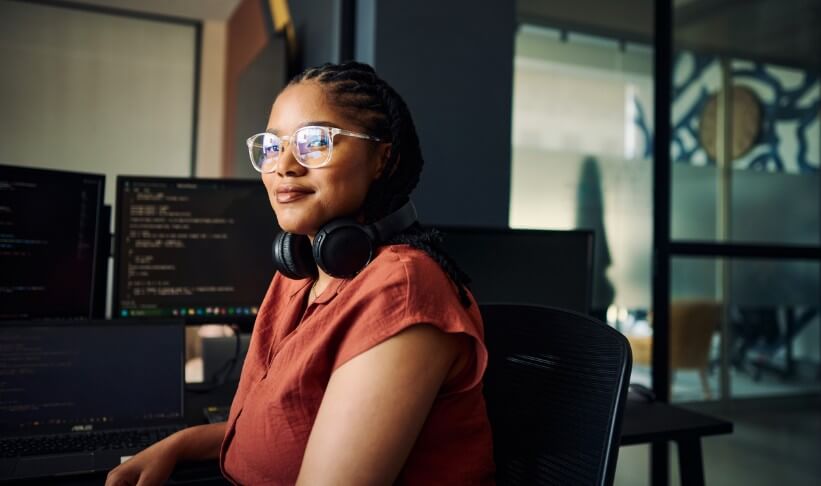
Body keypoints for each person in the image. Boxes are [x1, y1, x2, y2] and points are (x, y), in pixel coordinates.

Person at [105, 61, 495, 485]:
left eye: (315, 141)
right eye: (272, 146)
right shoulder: (300, 273)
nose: (284, 165)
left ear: (382, 158)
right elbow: (277, 434)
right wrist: (182, 443)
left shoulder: (401, 290)